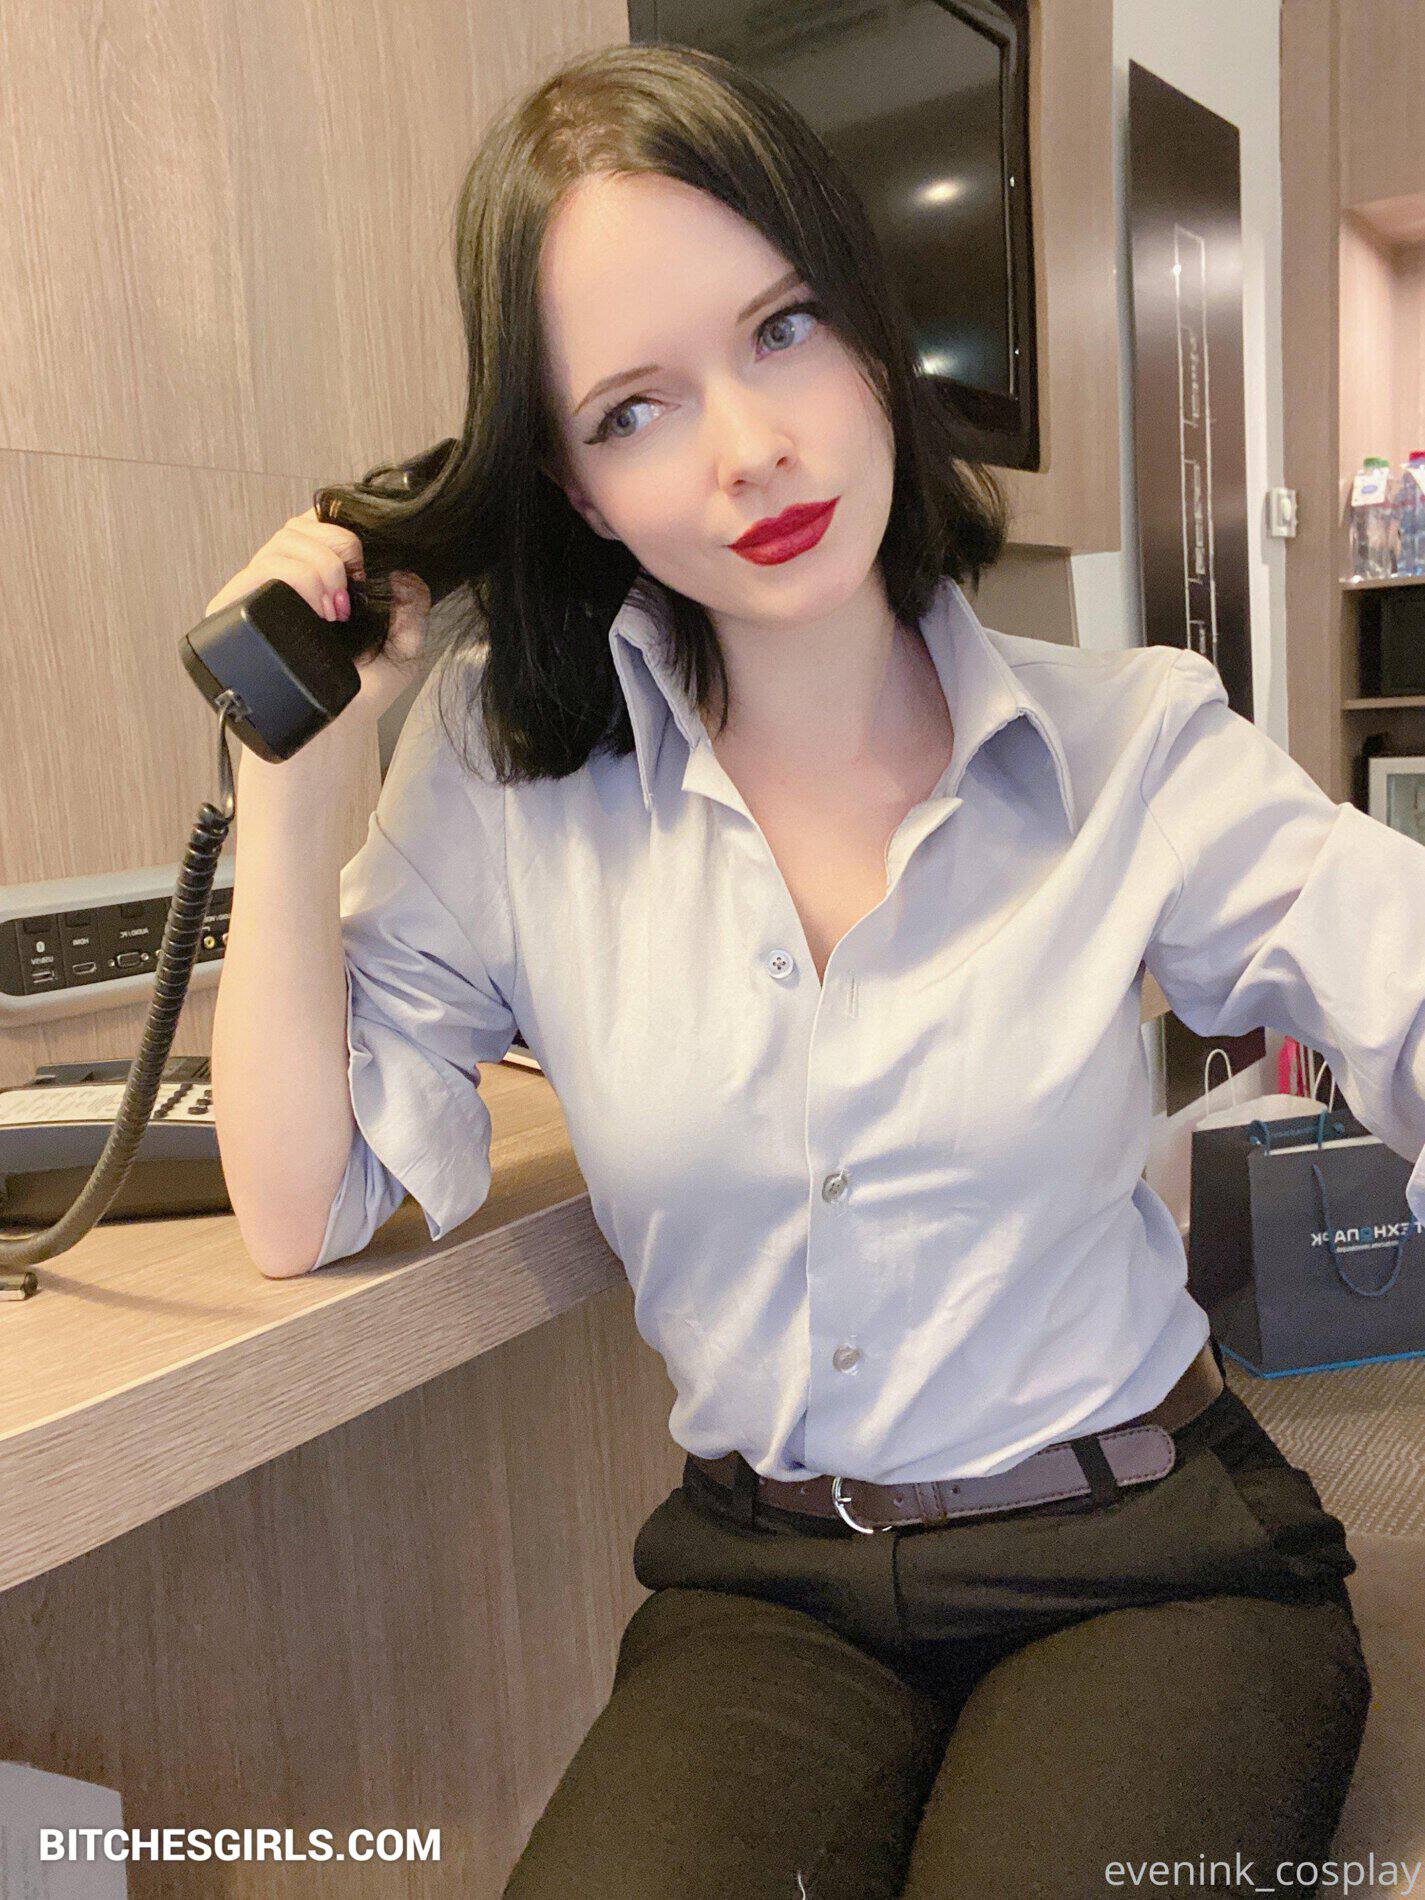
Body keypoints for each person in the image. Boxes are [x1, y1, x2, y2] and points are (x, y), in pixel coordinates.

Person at [218, 41, 1391, 1898]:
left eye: (780, 330)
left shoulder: (1132, 747)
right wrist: (285, 777)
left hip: (1148, 1560)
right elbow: (300, 1204)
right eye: (633, 408)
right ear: (569, 484)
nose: (746, 449)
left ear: (866, 330)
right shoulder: (508, 781)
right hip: (770, 1588)